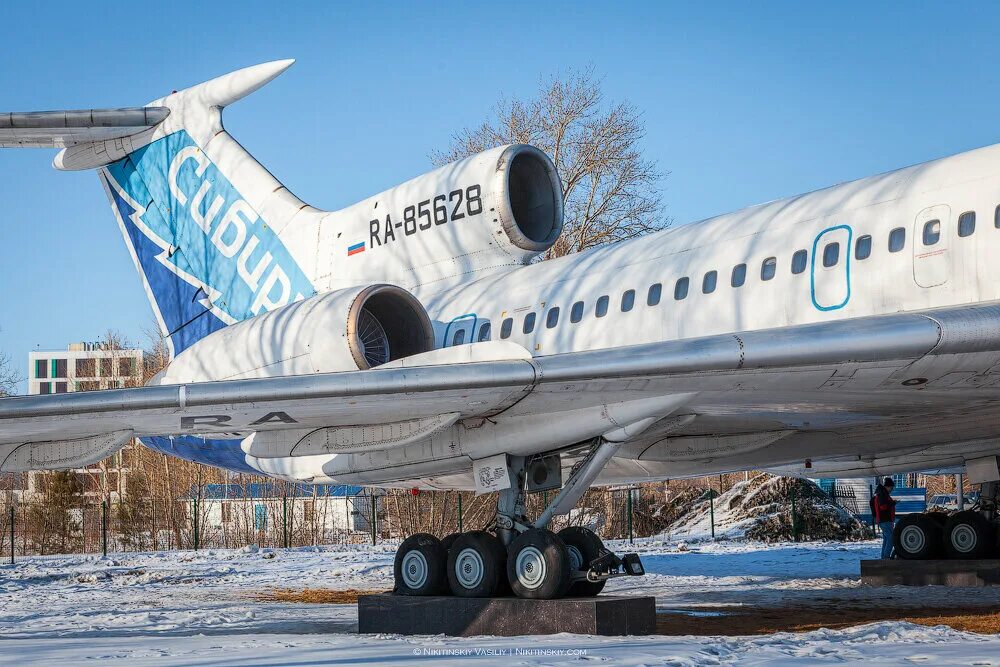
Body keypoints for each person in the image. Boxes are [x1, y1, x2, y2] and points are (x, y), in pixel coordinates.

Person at [872, 477, 898, 559]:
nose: (892, 489)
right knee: (891, 539)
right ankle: (886, 557)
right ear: (887, 486)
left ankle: (883, 557)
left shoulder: (881, 493)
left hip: (884, 520)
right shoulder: (882, 494)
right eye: (891, 487)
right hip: (885, 520)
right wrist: (893, 503)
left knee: (886, 539)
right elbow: (883, 506)